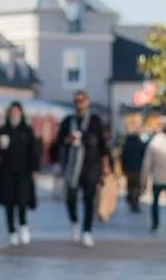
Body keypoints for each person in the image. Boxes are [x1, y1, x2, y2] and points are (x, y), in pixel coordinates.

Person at [55, 90, 108, 248]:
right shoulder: (68, 121)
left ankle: (87, 231)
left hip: (91, 166)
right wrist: (68, 139)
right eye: (77, 101)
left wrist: (105, 166)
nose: (79, 104)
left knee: (88, 199)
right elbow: (58, 141)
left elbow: (103, 146)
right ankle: (74, 222)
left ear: (87, 102)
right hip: (72, 166)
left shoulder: (95, 121)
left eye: (82, 101)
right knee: (70, 197)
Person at [0, 101, 40, 246]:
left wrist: (35, 169)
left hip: (23, 172)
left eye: (17, 112)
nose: (14, 114)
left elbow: (34, 151)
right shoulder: (2, 129)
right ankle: (11, 231)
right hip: (6, 172)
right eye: (12, 112)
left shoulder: (27, 130)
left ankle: (23, 226)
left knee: (22, 200)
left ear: (21, 113)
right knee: (9, 203)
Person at [140, 123, 166, 237]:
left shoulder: (153, 144)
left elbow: (147, 164)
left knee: (155, 203)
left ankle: (155, 224)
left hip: (157, 178)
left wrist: (143, 179)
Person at [121, 131, 147, 212]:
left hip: (129, 169)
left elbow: (123, 157)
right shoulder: (140, 144)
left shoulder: (126, 145)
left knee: (130, 186)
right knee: (136, 186)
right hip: (137, 169)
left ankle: (131, 200)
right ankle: (135, 202)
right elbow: (144, 156)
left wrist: (123, 168)